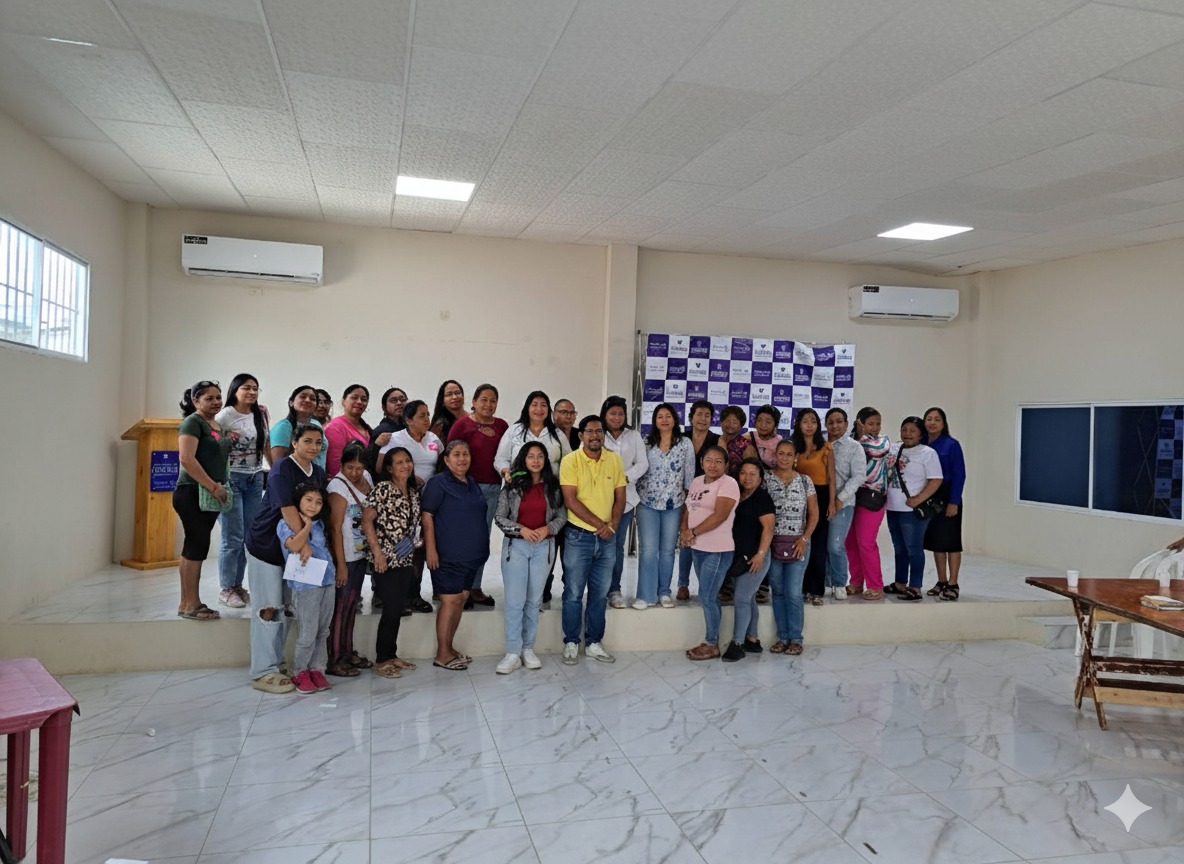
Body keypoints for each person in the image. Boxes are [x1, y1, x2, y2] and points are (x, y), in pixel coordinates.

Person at [246, 422, 328, 694]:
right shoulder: (282, 467)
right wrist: (303, 545)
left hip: (292, 551)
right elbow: (287, 509)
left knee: (285, 608)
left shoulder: (318, 472)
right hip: (268, 547)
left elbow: (316, 511)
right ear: (294, 442)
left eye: (318, 442)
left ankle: (277, 662)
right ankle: (262, 671)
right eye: (307, 441)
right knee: (267, 609)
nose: (313, 447)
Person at [494, 442, 567, 674]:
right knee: (515, 601)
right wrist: (521, 530)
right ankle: (512, 652)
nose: (535, 461)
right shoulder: (511, 486)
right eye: (531, 456)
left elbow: (561, 516)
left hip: (543, 548)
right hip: (516, 547)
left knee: (534, 601)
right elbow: (499, 517)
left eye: (540, 456)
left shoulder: (553, 487)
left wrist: (548, 529)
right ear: (523, 460)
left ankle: (528, 648)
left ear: (545, 460)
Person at [559, 415, 626, 665]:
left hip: (607, 538)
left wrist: (613, 525)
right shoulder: (570, 461)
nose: (595, 435)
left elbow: (620, 497)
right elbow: (570, 500)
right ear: (581, 435)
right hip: (578, 536)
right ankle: (571, 642)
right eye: (590, 431)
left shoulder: (614, 460)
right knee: (574, 592)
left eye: (599, 431)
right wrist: (602, 526)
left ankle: (594, 642)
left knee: (599, 594)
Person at [422, 440, 488, 670]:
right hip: (447, 556)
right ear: (446, 459)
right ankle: (442, 654)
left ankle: (449, 648)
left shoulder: (471, 482)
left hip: (471, 556)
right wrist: (431, 549)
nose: (462, 459)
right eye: (457, 454)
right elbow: (427, 516)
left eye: (466, 454)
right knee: (450, 602)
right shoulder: (437, 483)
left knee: (460, 600)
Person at [362, 446, 423, 679]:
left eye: (408, 460)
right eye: (399, 462)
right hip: (385, 559)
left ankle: (391, 654)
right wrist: (377, 553)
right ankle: (381, 660)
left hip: (405, 557)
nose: (405, 465)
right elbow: (367, 521)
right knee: (391, 608)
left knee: (398, 608)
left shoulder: (413, 492)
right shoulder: (383, 489)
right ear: (389, 468)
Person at [173, 381, 233, 621]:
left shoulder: (216, 424)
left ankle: (185, 603)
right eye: (209, 398)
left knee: (195, 546)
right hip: (192, 491)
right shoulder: (192, 422)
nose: (216, 402)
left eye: (218, 397)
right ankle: (192, 605)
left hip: (209, 493)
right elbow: (186, 458)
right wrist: (213, 486)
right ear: (195, 401)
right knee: (196, 547)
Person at [447, 383, 508, 607]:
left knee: (482, 539)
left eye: (493, 400)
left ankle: (474, 587)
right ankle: (458, 588)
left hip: (493, 490)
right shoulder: (462, 424)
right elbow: (450, 455)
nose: (488, 404)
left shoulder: (502, 426)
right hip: (467, 489)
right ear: (473, 402)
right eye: (483, 399)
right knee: (463, 539)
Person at [214, 373, 269, 609]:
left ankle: (237, 585)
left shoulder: (261, 413)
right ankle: (226, 588)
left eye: (255, 388)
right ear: (235, 390)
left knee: (248, 536)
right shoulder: (224, 415)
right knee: (232, 537)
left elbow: (266, 445)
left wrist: (275, 472)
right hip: (231, 479)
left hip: (255, 479)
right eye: (246, 388)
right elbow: (213, 448)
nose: (252, 392)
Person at [381, 399, 441, 613]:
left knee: (420, 547)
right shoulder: (396, 439)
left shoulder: (434, 439)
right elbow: (381, 467)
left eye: (428, 414)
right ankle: (398, 596)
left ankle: (414, 593)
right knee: (402, 546)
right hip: (403, 501)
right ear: (408, 420)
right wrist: (408, 478)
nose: (427, 419)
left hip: (429, 503)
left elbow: (441, 465)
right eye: (422, 415)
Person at [681, 446, 740, 660]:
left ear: (726, 465)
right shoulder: (697, 481)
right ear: (702, 463)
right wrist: (684, 531)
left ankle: (712, 643)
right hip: (698, 547)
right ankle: (710, 641)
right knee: (708, 595)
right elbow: (688, 509)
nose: (713, 465)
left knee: (707, 595)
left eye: (718, 461)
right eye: (709, 460)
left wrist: (693, 532)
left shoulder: (729, 483)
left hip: (718, 549)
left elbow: (720, 516)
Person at [634, 403, 695, 608]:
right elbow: (638, 470)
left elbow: (689, 477)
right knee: (648, 550)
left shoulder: (685, 443)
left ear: (675, 419)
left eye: (668, 416)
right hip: (647, 503)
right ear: (654, 421)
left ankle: (664, 592)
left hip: (674, 504)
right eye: (660, 416)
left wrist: (687, 505)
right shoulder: (645, 442)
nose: (664, 420)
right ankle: (645, 595)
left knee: (668, 550)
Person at [278, 483, 336, 694]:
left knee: (323, 630)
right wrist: (307, 526)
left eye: (318, 502)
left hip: (327, 581)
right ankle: (300, 671)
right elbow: (294, 545)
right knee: (308, 632)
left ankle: (317, 669)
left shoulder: (321, 524)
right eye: (309, 500)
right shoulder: (285, 523)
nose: (313, 505)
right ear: (299, 501)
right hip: (305, 585)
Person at [764, 439, 818, 655]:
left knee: (794, 592)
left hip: (798, 544)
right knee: (777, 592)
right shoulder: (765, 479)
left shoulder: (805, 481)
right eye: (781, 453)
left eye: (789, 454)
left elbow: (814, 514)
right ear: (775, 455)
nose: (784, 458)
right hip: (773, 544)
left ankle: (796, 638)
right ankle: (782, 637)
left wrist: (804, 539)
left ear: (795, 458)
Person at [326, 441, 373, 678]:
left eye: (359, 468)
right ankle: (335, 659)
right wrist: (341, 565)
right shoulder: (337, 486)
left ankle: (347, 651)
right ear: (341, 465)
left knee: (352, 604)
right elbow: (334, 529)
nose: (355, 473)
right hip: (345, 556)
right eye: (349, 467)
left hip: (361, 553)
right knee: (340, 607)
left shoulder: (368, 479)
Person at [885, 416, 944, 602]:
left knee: (913, 548)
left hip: (913, 511)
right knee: (899, 548)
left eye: (912, 431)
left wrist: (918, 499)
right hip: (892, 507)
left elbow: (936, 479)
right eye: (904, 430)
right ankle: (900, 583)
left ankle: (915, 587)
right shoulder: (894, 448)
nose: (907, 434)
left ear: (921, 434)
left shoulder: (928, 453)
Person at [722, 457, 775, 661]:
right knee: (749, 597)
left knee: (742, 599)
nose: (747, 477)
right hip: (739, 558)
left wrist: (760, 555)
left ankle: (737, 643)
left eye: (753, 474)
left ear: (760, 478)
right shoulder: (737, 494)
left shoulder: (762, 498)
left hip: (756, 558)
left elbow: (769, 528)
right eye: (744, 473)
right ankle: (752, 639)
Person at [599, 395, 649, 609]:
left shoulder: (633, 435)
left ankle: (614, 590)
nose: (617, 417)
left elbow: (642, 463)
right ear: (604, 415)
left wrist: (623, 478)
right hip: (598, 499)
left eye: (620, 413)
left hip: (626, 500)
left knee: (616, 546)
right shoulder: (597, 433)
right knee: (599, 545)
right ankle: (598, 588)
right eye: (612, 413)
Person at [845, 407, 892, 601]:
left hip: (873, 497)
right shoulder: (851, 440)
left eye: (878, 423)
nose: (875, 427)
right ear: (860, 423)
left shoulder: (882, 441)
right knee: (850, 542)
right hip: (852, 496)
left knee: (866, 542)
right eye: (871, 423)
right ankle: (856, 581)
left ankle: (875, 585)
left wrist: (861, 437)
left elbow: (875, 450)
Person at [923, 406, 967, 602]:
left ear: (943, 423)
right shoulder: (921, 442)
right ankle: (941, 581)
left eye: (937, 419)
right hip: (929, 495)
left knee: (951, 541)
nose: (932, 422)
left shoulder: (952, 445)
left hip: (948, 494)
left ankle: (953, 583)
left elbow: (959, 474)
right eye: (929, 419)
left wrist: (954, 501)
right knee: (937, 541)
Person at [677, 399, 720, 601]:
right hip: (681, 495)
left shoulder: (717, 440)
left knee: (704, 538)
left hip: (706, 497)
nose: (703, 419)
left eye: (707, 415)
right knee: (685, 538)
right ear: (691, 417)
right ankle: (682, 584)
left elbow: (721, 469)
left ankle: (707, 586)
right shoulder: (681, 438)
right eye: (699, 414)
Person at [792, 408, 835, 607]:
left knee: (818, 545)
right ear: (798, 424)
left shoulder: (826, 447)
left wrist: (832, 502)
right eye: (805, 421)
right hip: (799, 497)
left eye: (813, 421)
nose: (809, 425)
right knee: (801, 543)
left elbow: (831, 477)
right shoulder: (793, 447)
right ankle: (800, 588)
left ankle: (816, 590)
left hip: (822, 496)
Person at [825, 408, 867, 601]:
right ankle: (826, 582)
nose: (835, 426)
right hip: (821, 502)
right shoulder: (822, 445)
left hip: (844, 502)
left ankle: (840, 582)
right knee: (822, 545)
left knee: (835, 545)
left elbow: (859, 476)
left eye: (839, 421)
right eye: (831, 422)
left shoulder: (854, 447)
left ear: (846, 424)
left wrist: (840, 498)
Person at [495, 390, 571, 478]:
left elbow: (569, 461)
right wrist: (506, 471)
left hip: (550, 485)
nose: (539, 409)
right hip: (518, 484)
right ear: (527, 408)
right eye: (534, 405)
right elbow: (501, 458)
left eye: (543, 405)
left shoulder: (558, 434)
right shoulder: (514, 431)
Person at [270, 385, 326, 469]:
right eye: (303, 397)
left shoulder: (316, 424)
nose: (307, 400)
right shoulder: (284, 427)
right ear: (291, 402)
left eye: (313, 399)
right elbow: (279, 464)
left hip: (318, 475)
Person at [324, 384, 372, 477]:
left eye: (364, 399)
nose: (359, 402)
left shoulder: (366, 428)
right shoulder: (336, 427)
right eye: (354, 398)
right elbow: (335, 464)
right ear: (343, 402)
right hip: (346, 481)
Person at [718, 405, 758, 477]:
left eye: (735, 422)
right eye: (727, 421)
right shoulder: (714, 440)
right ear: (721, 423)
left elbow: (753, 470)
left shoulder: (745, 445)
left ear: (740, 426)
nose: (730, 425)